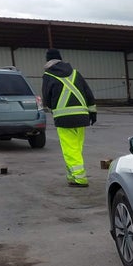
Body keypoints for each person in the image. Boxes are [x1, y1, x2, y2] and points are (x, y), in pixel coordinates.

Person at [42, 49, 97, 187]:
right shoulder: (75, 73)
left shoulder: (48, 75)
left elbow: (46, 99)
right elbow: (88, 94)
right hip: (82, 117)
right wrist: (93, 112)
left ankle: (80, 178)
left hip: (64, 118)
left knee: (70, 149)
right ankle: (72, 176)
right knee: (76, 148)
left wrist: (52, 108)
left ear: (48, 61)